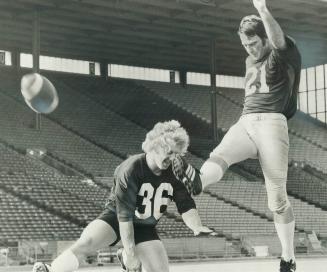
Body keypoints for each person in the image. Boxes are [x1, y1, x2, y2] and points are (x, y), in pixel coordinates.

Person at [178, 0, 301, 271]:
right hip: (246, 121)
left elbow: (279, 41)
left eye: (254, 43)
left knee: (277, 201)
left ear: (265, 37)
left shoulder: (281, 52)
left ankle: (288, 257)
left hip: (272, 124)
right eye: (245, 44)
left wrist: (263, 10)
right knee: (220, 155)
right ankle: (198, 181)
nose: (249, 48)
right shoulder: (248, 59)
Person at [33, 120, 214, 272]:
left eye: (176, 154)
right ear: (155, 147)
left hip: (145, 225)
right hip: (116, 218)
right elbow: (124, 218)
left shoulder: (175, 171)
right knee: (86, 242)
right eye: (169, 152)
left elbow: (186, 205)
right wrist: (132, 254)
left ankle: (125, 257)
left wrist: (197, 226)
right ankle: (51, 269)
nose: (173, 159)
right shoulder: (131, 169)